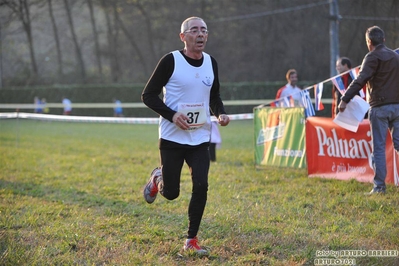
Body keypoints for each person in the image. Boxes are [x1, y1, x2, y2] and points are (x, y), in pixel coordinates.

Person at [141, 16, 230, 255]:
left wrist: (220, 113)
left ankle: (191, 239)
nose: (200, 34)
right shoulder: (170, 61)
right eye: (194, 30)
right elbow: (148, 95)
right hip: (172, 138)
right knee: (171, 193)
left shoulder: (211, 62)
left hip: (200, 137)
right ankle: (157, 177)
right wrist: (172, 115)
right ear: (183, 37)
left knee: (201, 185)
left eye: (204, 30)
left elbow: (214, 96)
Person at [338, 26, 399, 195]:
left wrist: (344, 99)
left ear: (368, 42)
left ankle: (379, 187)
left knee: (378, 148)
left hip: (379, 108)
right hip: (398, 107)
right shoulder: (395, 56)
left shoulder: (372, 57)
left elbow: (361, 80)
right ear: (384, 39)